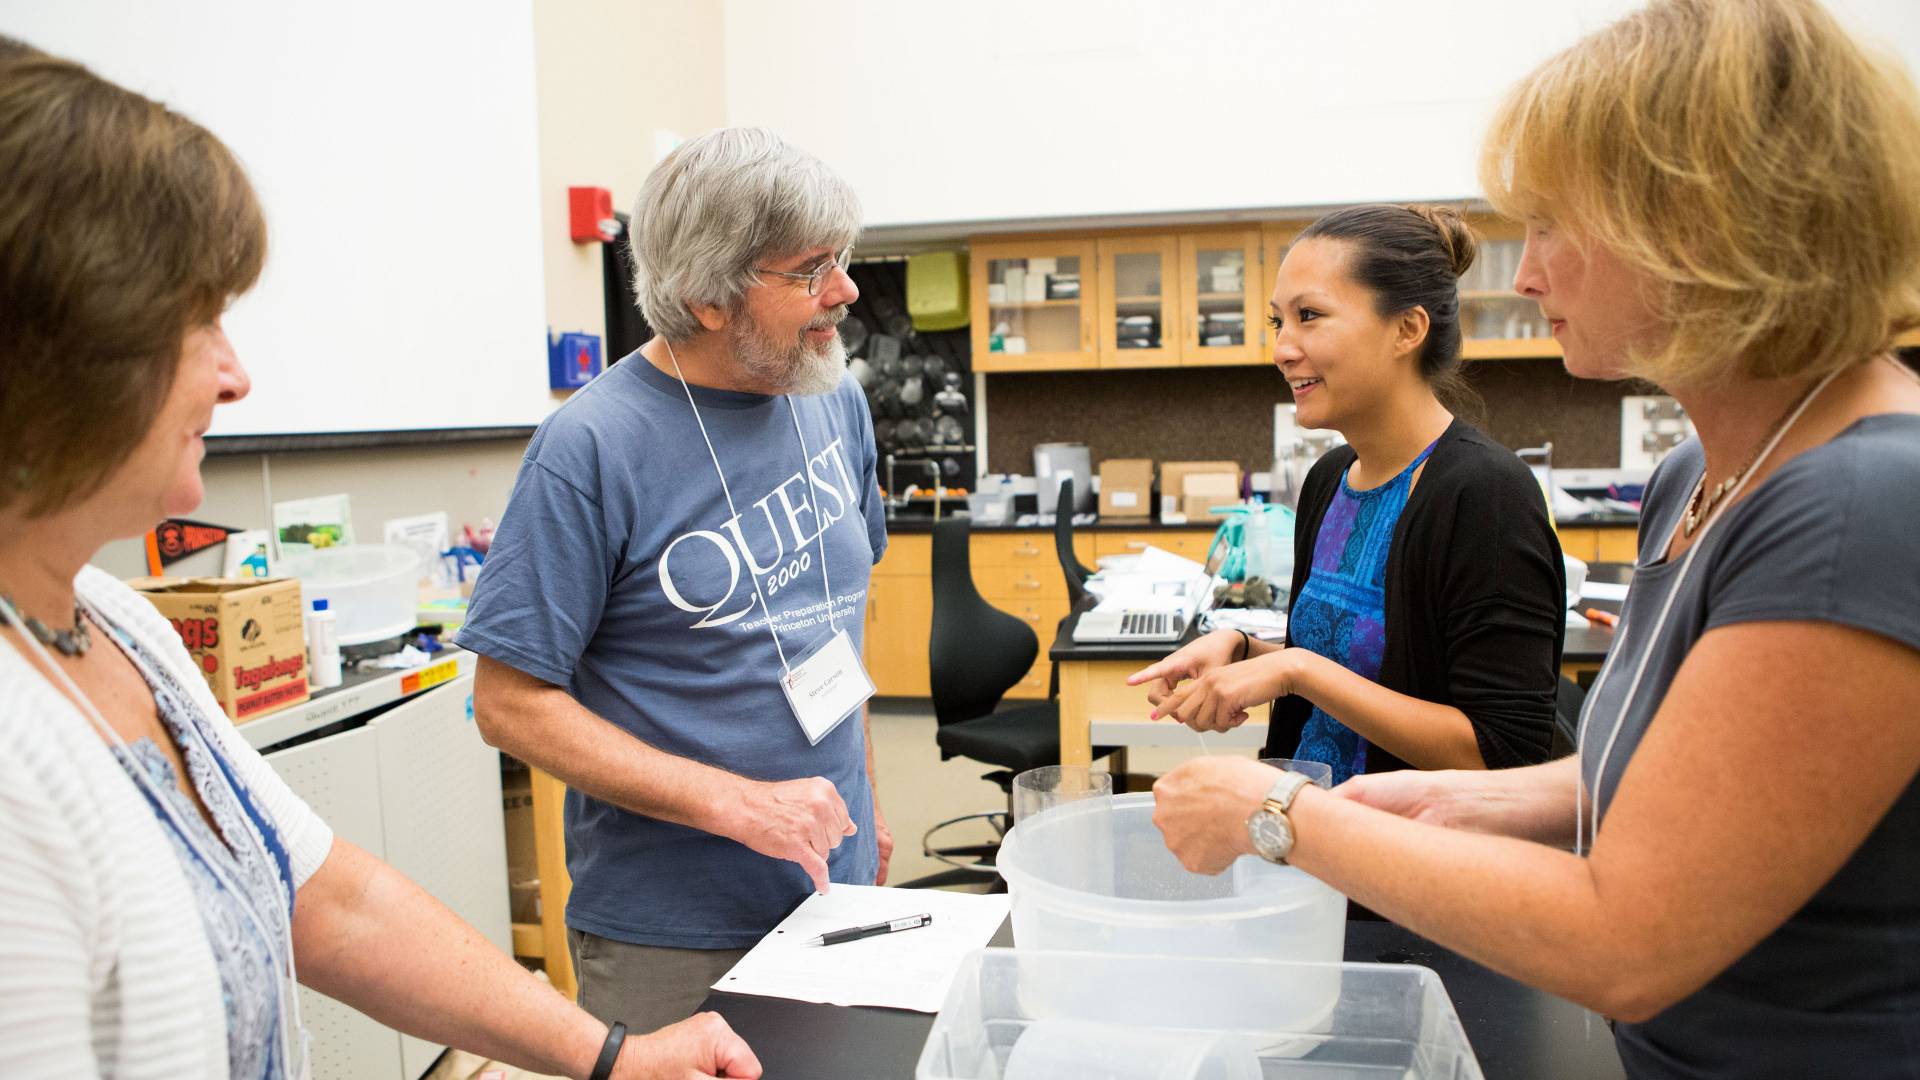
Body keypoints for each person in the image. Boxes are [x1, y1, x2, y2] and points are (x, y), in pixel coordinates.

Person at [1151, 1, 1920, 1076]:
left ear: (1704, 221)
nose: (1524, 274)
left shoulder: (1863, 503)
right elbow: (1666, 784)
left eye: (1555, 224)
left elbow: (1631, 937)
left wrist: (1279, 812)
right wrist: (1442, 800)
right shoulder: (1698, 476)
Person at [0, 39, 758, 1080]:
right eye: (195, 322)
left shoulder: (116, 621)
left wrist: (609, 1057)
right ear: (53, 352)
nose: (236, 375)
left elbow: (328, 900)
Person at [462, 126, 892, 1031]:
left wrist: (871, 805)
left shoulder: (834, 398)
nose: (845, 291)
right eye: (811, 270)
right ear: (706, 295)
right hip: (673, 932)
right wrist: (733, 804)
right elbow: (508, 703)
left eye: (842, 259)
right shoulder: (589, 449)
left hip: (836, 888)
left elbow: (835, 628)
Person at [1129, 205, 1566, 785]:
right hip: (1306, 819)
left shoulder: (1485, 494)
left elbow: (1506, 752)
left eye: (1309, 316)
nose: (1282, 349)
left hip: (1404, 838)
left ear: (1407, 330)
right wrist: (1241, 649)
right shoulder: (1330, 479)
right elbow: (1357, 666)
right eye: (1278, 322)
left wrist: (1298, 671)